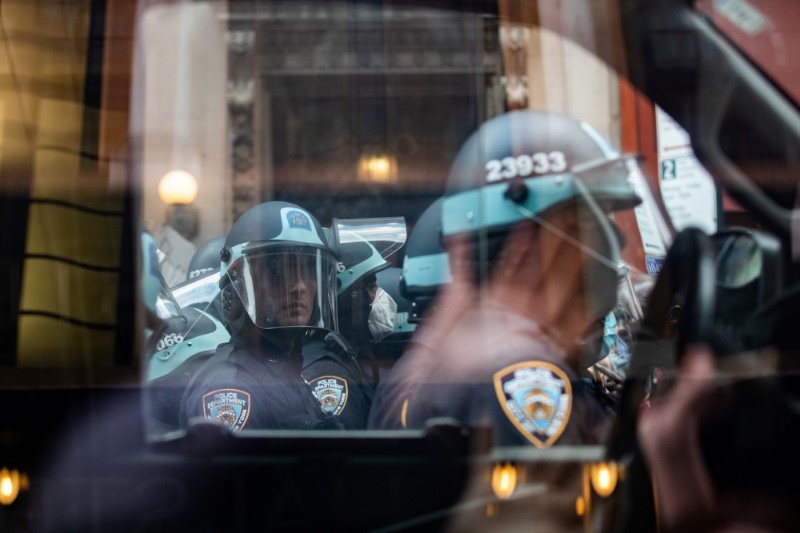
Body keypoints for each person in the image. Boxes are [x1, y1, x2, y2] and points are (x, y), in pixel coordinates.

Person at [180, 201, 341, 431]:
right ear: (237, 288)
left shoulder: (288, 371)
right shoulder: (230, 389)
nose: (299, 286)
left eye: (308, 270)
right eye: (278, 272)